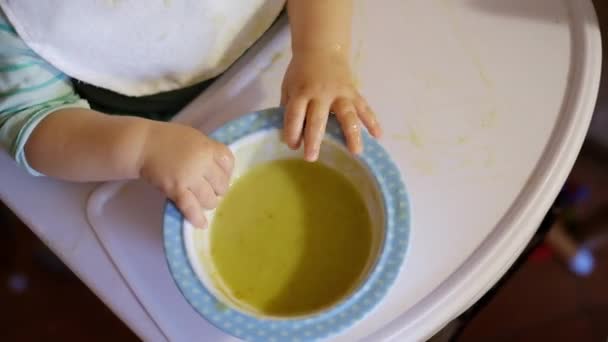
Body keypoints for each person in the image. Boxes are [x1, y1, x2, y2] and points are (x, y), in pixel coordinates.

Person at [0, 0, 381, 228]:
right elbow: (32, 124)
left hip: (288, 55)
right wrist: (142, 148)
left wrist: (321, 51)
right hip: (151, 140)